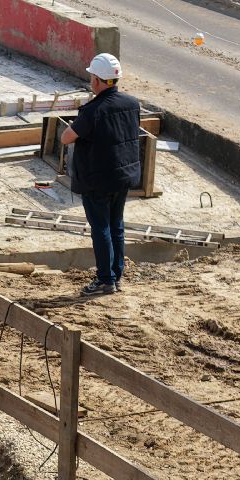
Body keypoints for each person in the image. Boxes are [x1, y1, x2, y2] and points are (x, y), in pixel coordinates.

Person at [61, 53, 142, 297]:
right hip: (123, 176)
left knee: (101, 228)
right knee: (116, 225)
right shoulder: (132, 103)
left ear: (97, 80)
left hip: (98, 180)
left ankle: (105, 279)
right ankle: (116, 275)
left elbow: (66, 138)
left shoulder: (93, 110)